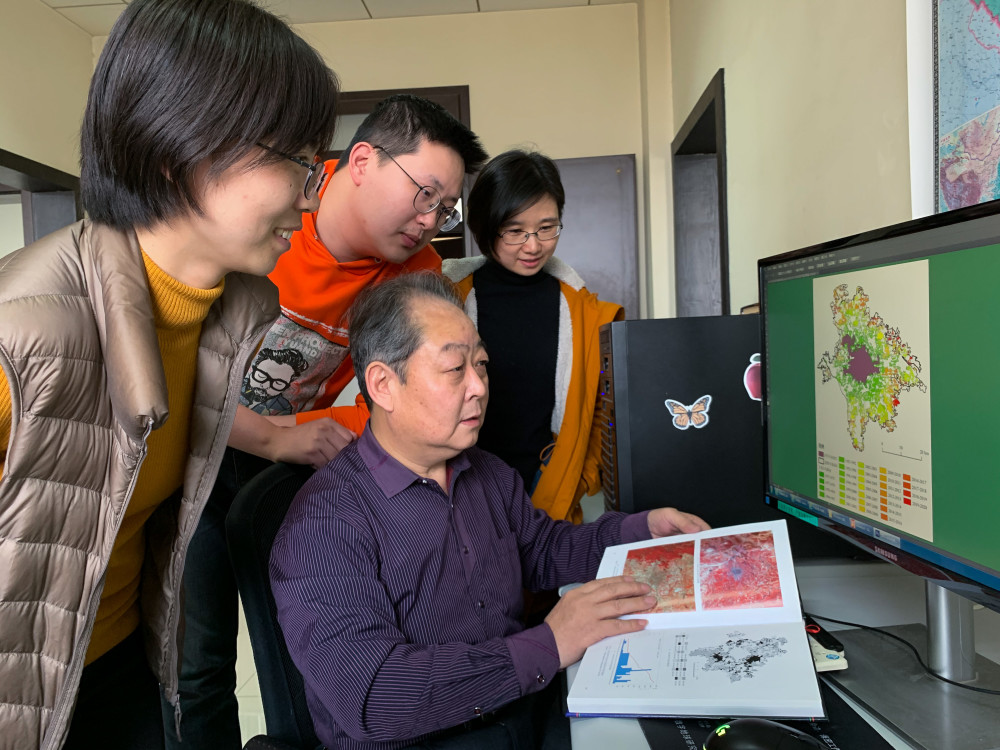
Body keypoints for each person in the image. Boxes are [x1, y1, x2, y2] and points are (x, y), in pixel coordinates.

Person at [0, 1, 339, 748]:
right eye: (298, 164)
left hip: (119, 666)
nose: (309, 199)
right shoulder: (20, 332)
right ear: (180, 151)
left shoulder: (223, 315)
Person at [167, 96, 489, 750]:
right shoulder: (269, 218)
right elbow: (174, 361)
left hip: (301, 475)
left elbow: (404, 391)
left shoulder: (419, 274)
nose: (431, 220)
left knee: (302, 650)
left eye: (446, 207)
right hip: (194, 461)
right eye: (423, 194)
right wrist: (273, 435)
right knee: (195, 665)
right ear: (363, 162)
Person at [270, 272, 709, 750]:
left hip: (517, 711)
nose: (479, 386)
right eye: (455, 369)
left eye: (481, 365)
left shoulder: (485, 472)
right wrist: (550, 643)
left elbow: (543, 549)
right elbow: (376, 697)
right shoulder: (325, 524)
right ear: (383, 384)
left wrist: (641, 528)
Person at [442, 149, 623, 525]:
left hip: (548, 491)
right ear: (486, 227)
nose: (533, 245)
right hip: (461, 492)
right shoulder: (445, 298)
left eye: (546, 227)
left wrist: (583, 476)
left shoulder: (580, 309)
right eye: (515, 231)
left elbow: (601, 405)